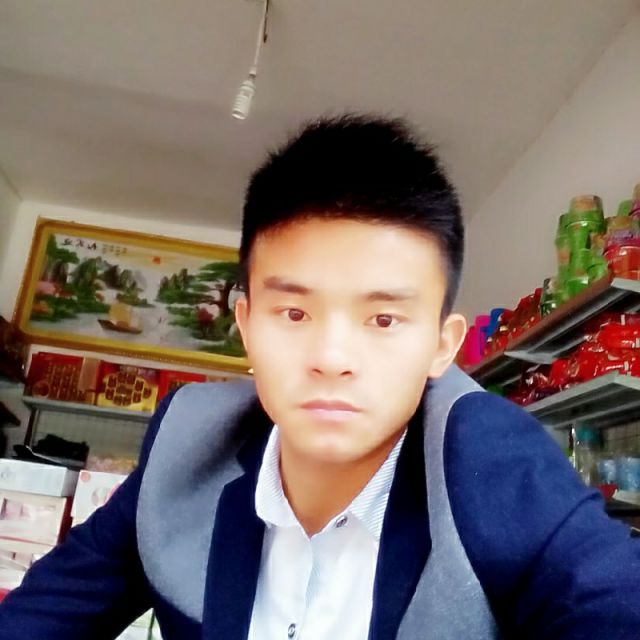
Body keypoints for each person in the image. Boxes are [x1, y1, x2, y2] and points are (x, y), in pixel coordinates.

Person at [1, 114, 639, 640]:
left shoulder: (491, 461)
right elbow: (46, 613)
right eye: (294, 313)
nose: (333, 357)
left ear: (441, 347)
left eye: (383, 319)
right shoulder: (188, 445)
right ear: (246, 326)